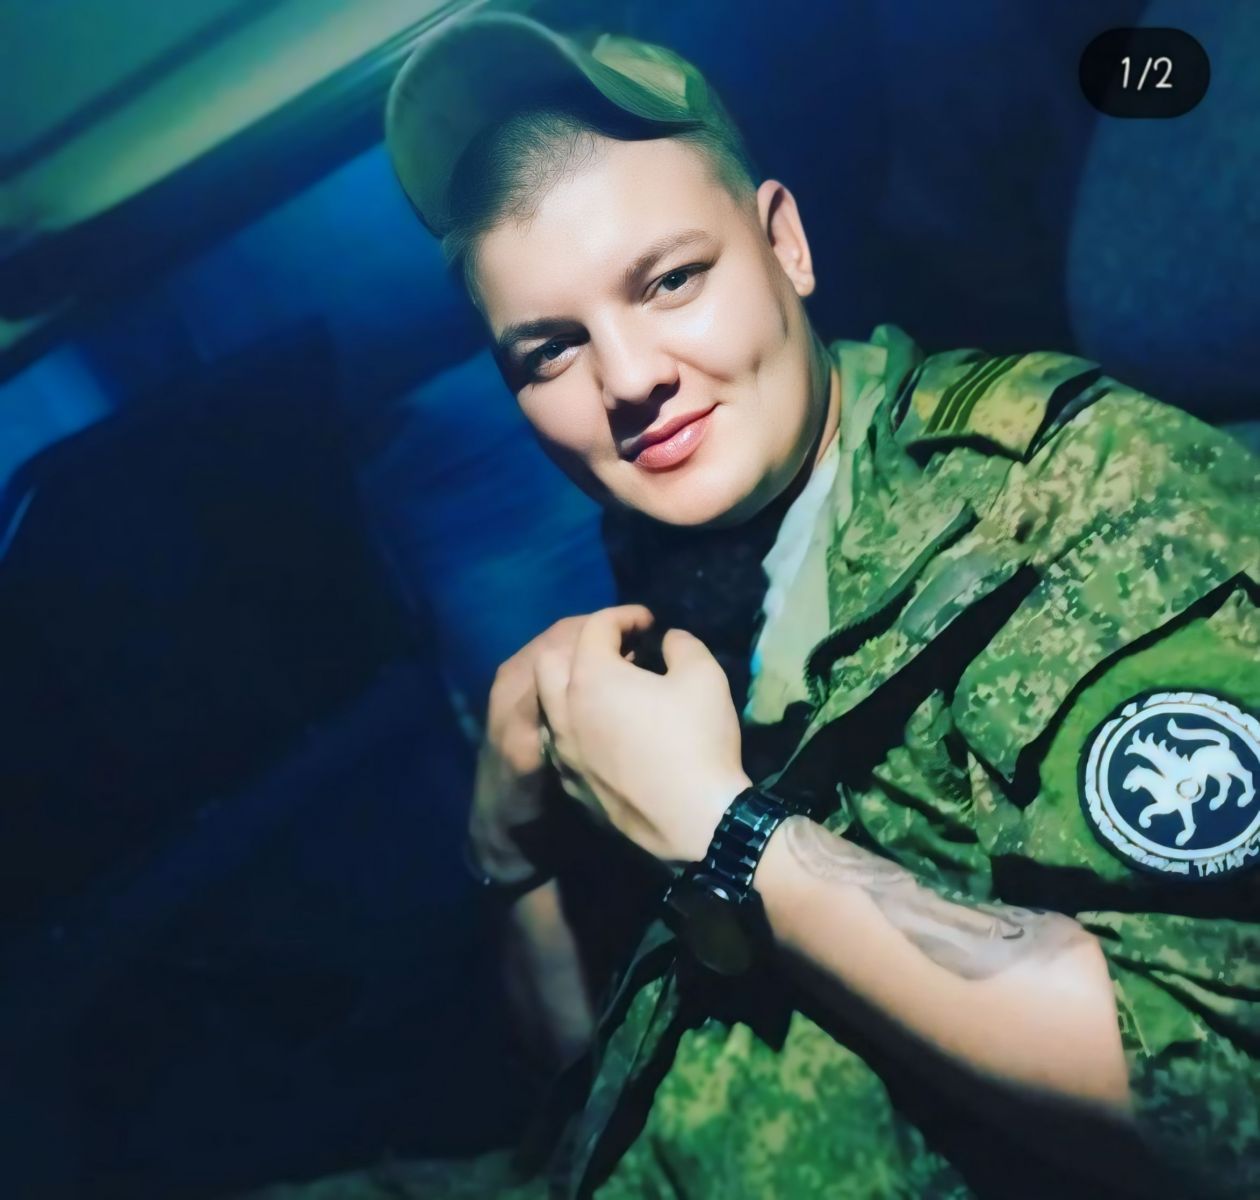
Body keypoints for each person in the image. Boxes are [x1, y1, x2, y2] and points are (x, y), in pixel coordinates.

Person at [247, 9, 1260, 1199]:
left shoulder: (1076, 496)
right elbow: (594, 1083)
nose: (629, 381)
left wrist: (722, 827)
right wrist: (510, 861)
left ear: (786, 243)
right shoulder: (674, 560)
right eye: (550, 352)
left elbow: (1227, 1100)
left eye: (671, 280)